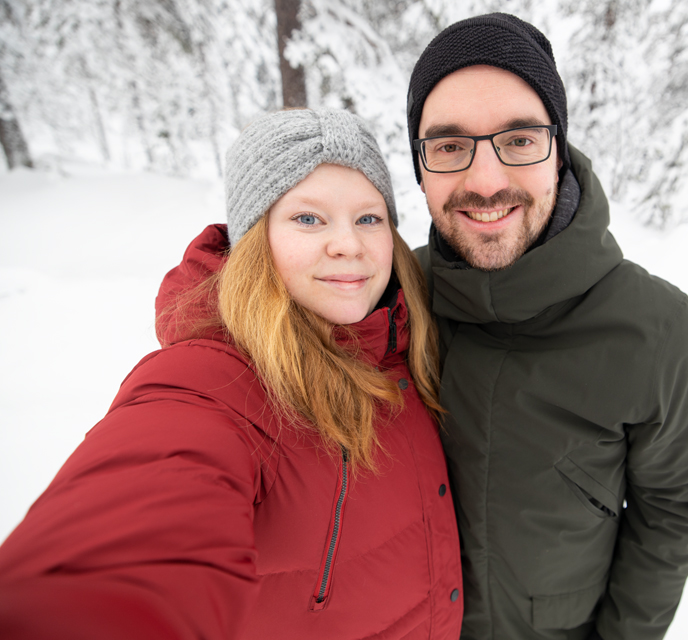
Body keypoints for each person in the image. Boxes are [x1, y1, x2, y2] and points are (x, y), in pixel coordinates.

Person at [0, 108, 463, 640]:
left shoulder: (409, 339)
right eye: (307, 218)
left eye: (368, 218)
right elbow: (145, 506)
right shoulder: (216, 379)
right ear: (253, 241)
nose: (349, 244)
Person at [406, 13, 688, 640]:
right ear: (419, 168)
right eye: (449, 146)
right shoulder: (391, 301)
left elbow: (671, 515)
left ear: (559, 149)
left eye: (519, 140)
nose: (486, 181)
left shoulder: (656, 333)